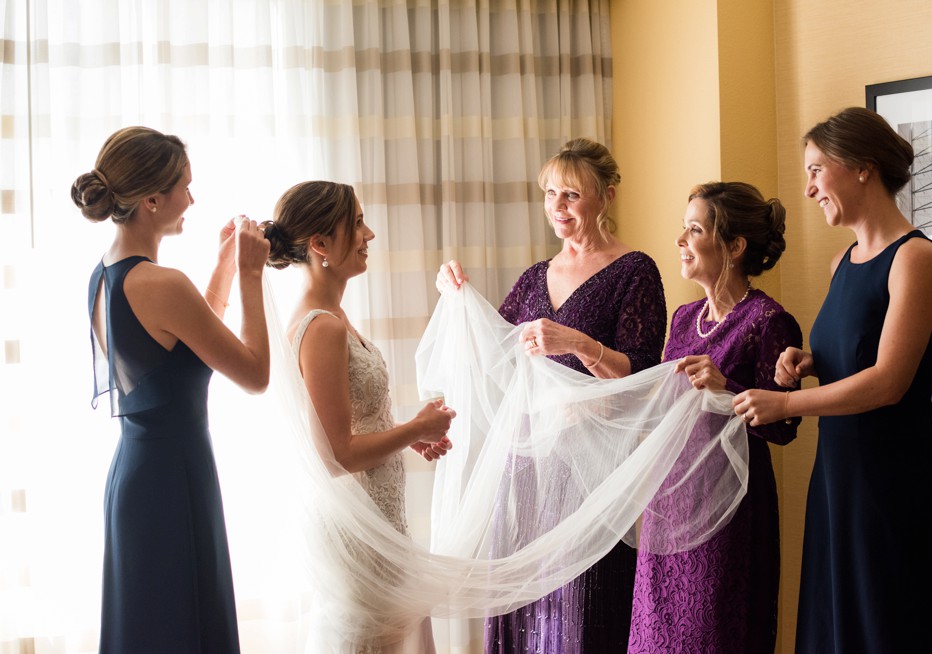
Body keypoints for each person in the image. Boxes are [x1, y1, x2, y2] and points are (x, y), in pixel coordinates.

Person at [733, 107, 932, 653]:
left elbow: (887, 381)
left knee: (887, 627)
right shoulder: (842, 261)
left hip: (893, 486)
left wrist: (789, 404)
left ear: (863, 167)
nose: (809, 187)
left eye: (817, 169)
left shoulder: (916, 259)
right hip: (839, 480)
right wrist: (809, 358)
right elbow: (859, 349)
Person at [438, 137, 667, 653]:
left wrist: (579, 344)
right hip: (528, 470)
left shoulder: (635, 271)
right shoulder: (533, 278)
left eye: (571, 195)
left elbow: (643, 378)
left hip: (593, 473)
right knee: (527, 611)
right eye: (549, 194)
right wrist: (455, 296)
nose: (557, 209)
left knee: (585, 610)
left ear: (606, 196)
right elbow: (495, 356)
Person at [72, 126, 271, 653]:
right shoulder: (162, 284)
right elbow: (254, 375)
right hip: (172, 482)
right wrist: (252, 275)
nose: (192, 199)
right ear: (152, 200)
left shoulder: (104, 276)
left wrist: (226, 265)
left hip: (138, 474)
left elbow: (187, 341)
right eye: (185, 186)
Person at [263, 181, 456, 653]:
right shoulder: (321, 327)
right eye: (357, 224)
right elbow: (334, 455)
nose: (369, 234)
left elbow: (351, 424)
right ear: (321, 245)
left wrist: (405, 435)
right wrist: (416, 427)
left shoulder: (335, 317)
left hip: (379, 517)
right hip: (359, 529)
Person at [627, 182, 801, 653]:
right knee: (657, 635)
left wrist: (729, 388)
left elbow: (784, 426)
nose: (681, 241)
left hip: (731, 509)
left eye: (695, 229)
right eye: (683, 229)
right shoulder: (683, 318)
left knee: (714, 633)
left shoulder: (768, 320)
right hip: (671, 501)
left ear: (734, 245)